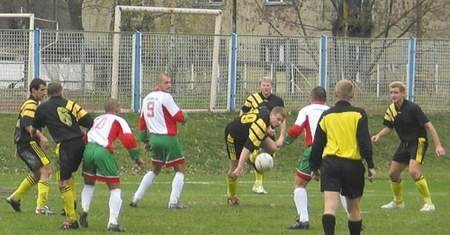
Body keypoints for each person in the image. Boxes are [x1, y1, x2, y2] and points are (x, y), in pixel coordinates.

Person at [310, 79, 376, 235]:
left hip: (330, 163)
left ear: (335, 93)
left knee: (330, 206)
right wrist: (371, 165)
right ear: (353, 94)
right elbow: (364, 141)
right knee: (354, 208)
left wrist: (314, 167)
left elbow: (317, 144)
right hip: (352, 164)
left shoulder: (326, 115)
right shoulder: (359, 114)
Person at [372, 81, 446, 212]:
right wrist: (378, 135)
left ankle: (429, 204)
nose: (393, 95)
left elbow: (429, 126)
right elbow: (389, 127)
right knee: (393, 173)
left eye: (396, 92)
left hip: (418, 142)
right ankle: (398, 202)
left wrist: (438, 145)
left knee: (413, 171)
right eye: (391, 92)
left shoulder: (413, 108)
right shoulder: (391, 109)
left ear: (403, 94)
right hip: (404, 144)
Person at [284, 86, 348, 230]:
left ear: (310, 98)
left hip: (313, 150)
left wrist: (284, 142)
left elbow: (296, 129)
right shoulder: (332, 110)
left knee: (299, 184)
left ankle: (304, 220)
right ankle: (353, 218)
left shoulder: (306, 110)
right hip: (333, 151)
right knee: (340, 185)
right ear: (325, 99)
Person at [33, 81, 94, 229]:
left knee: (62, 182)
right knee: (68, 176)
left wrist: (38, 136)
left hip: (66, 146)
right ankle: (71, 205)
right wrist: (86, 133)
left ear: (48, 93)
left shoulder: (42, 108)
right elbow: (89, 121)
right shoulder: (71, 104)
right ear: (61, 91)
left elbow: (34, 127)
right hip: (79, 143)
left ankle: (72, 220)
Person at [79, 98, 144, 232]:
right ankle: (112, 222)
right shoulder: (119, 120)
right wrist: (136, 158)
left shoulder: (96, 119)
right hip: (102, 151)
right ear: (116, 108)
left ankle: (84, 211)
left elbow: (86, 136)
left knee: (89, 183)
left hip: (88, 149)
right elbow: (128, 140)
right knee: (115, 187)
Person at [130, 73, 187, 209]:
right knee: (180, 169)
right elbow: (178, 115)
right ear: (159, 83)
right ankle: (173, 202)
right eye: (166, 82)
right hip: (168, 138)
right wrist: (185, 118)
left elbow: (142, 123)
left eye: (170, 82)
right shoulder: (166, 97)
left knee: (154, 169)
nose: (169, 85)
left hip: (154, 138)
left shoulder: (147, 98)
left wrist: (145, 141)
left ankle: (135, 198)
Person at [6, 78, 54, 215]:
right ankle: (41, 207)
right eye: (42, 90)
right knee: (47, 170)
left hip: (24, 143)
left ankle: (14, 198)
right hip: (29, 143)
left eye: (45, 90)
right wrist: (41, 136)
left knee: (38, 173)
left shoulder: (32, 104)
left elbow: (19, 124)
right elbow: (27, 125)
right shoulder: (31, 104)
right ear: (33, 90)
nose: (44, 93)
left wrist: (17, 145)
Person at [226, 106, 287, 205]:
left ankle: (253, 158)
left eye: (281, 121)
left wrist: (281, 137)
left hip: (249, 133)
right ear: (271, 115)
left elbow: (261, 110)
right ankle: (232, 196)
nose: (279, 123)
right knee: (234, 169)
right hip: (233, 136)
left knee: (274, 148)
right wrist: (240, 167)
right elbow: (247, 147)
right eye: (278, 119)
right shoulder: (260, 126)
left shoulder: (266, 112)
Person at [240, 77, 286, 194]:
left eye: (268, 85)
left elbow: (282, 119)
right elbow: (243, 112)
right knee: (260, 155)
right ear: (260, 86)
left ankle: (251, 160)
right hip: (255, 131)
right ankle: (258, 184)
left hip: (270, 134)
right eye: (264, 85)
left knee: (267, 157)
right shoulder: (252, 98)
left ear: (272, 86)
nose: (266, 88)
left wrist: (281, 136)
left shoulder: (278, 101)